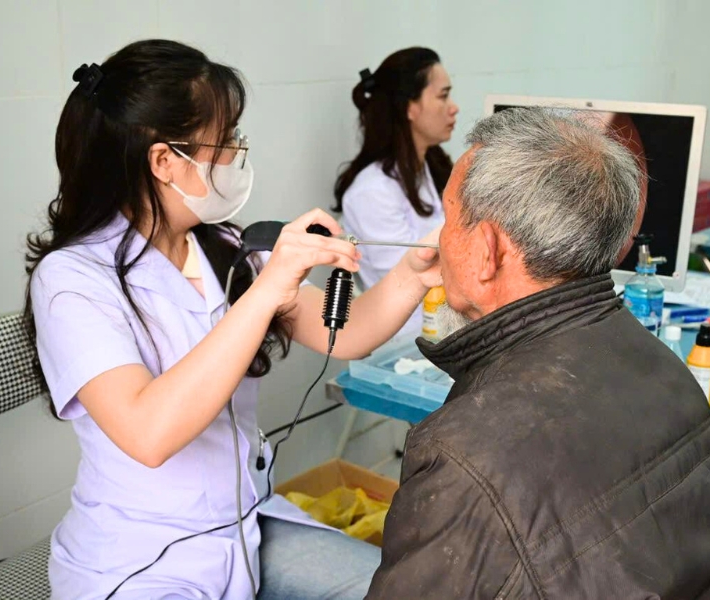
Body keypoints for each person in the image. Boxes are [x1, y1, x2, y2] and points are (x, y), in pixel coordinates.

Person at [23, 39, 441, 600]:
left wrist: (415, 273)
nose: (239, 153)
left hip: (244, 525)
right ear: (165, 161)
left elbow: (346, 332)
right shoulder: (71, 280)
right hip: (139, 558)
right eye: (226, 141)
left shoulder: (223, 245)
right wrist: (266, 290)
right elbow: (148, 432)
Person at [366, 108, 710, 599]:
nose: (439, 240)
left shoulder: (464, 458)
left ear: (487, 250)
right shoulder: (656, 358)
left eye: (449, 219)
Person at [334, 47, 458, 336]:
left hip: (441, 329)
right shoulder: (372, 192)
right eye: (443, 96)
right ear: (410, 108)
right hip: (404, 341)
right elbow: (407, 284)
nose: (454, 108)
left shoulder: (430, 169)